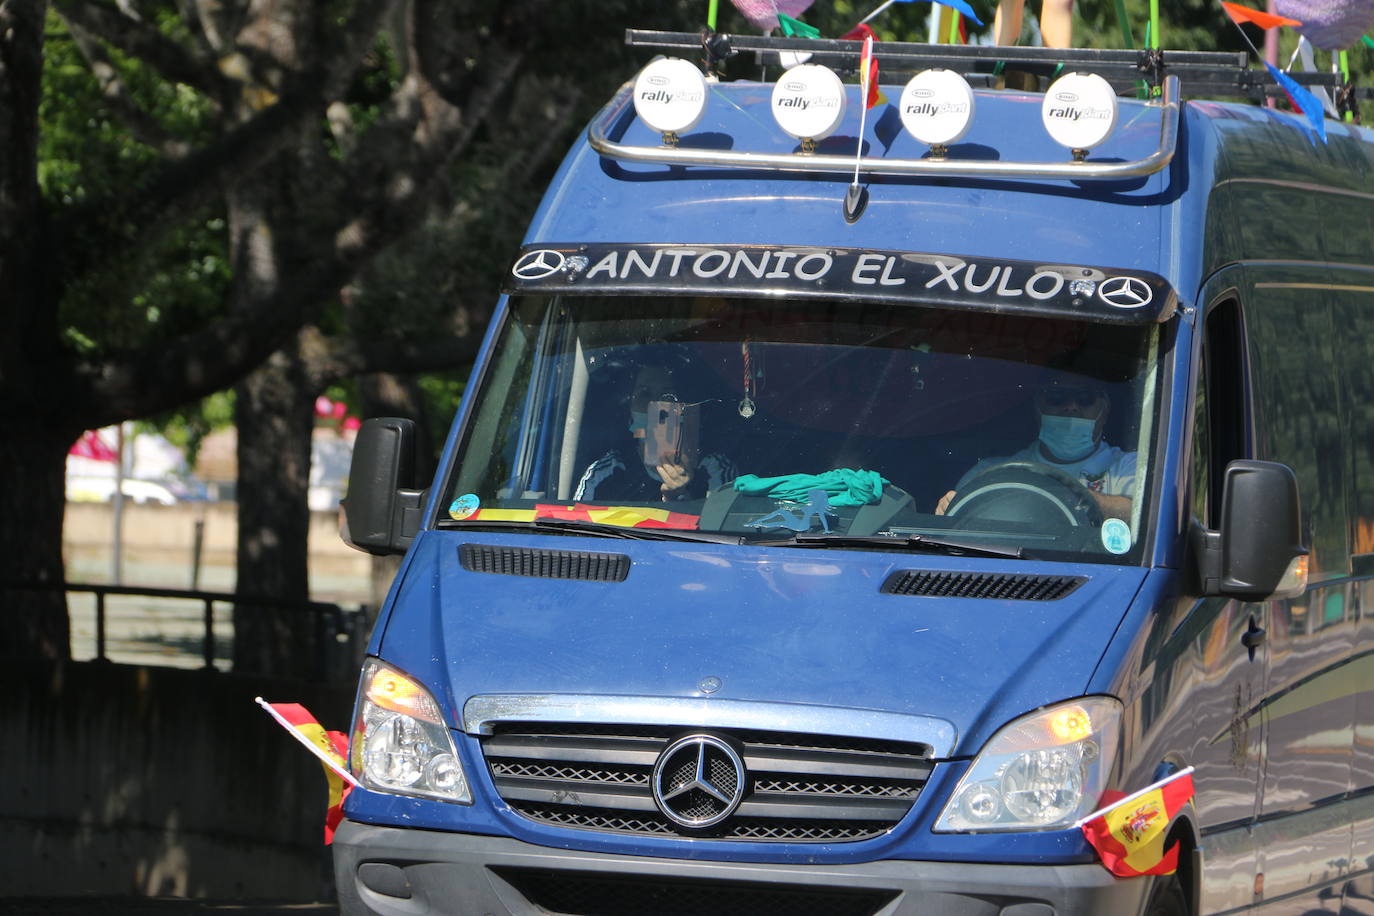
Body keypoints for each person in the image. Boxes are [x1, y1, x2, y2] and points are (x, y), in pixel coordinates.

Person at [935, 381, 1136, 521]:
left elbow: (1144, 517)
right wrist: (948, 510)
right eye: (1057, 397)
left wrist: (1080, 498)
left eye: (1085, 398)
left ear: (1105, 409)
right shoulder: (990, 472)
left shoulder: (1131, 468)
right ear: (1037, 406)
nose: (1071, 406)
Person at [575, 364, 737, 502]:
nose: (656, 405)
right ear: (628, 408)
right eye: (644, 394)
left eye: (668, 397)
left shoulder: (714, 469)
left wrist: (681, 497)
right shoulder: (603, 474)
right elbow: (574, 533)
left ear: (684, 409)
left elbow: (720, 533)